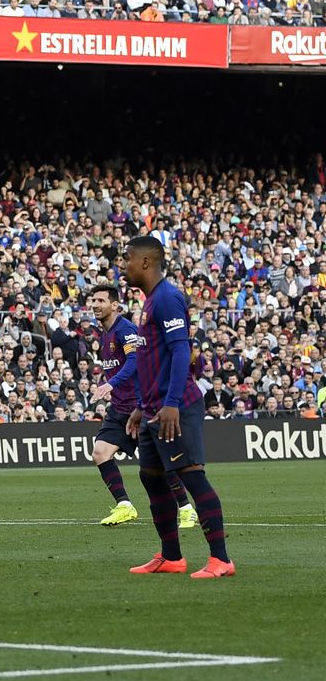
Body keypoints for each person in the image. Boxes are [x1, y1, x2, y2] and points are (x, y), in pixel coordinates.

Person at [117, 236, 235, 579]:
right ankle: (171, 557)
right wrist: (142, 405)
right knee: (151, 477)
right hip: (154, 407)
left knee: (191, 476)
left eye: (127, 260)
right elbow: (154, 358)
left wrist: (170, 404)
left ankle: (221, 559)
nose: (123, 266)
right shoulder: (151, 301)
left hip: (176, 407)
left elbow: (181, 351)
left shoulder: (167, 297)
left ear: (145, 262)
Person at [84, 284, 193, 529]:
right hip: (119, 408)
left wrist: (110, 384)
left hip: (141, 407)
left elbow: (135, 361)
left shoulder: (126, 330)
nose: (96, 305)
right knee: (100, 453)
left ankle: (186, 508)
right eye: (93, 301)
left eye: (101, 301)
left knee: (160, 463)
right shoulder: (104, 333)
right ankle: (124, 506)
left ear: (115, 305)